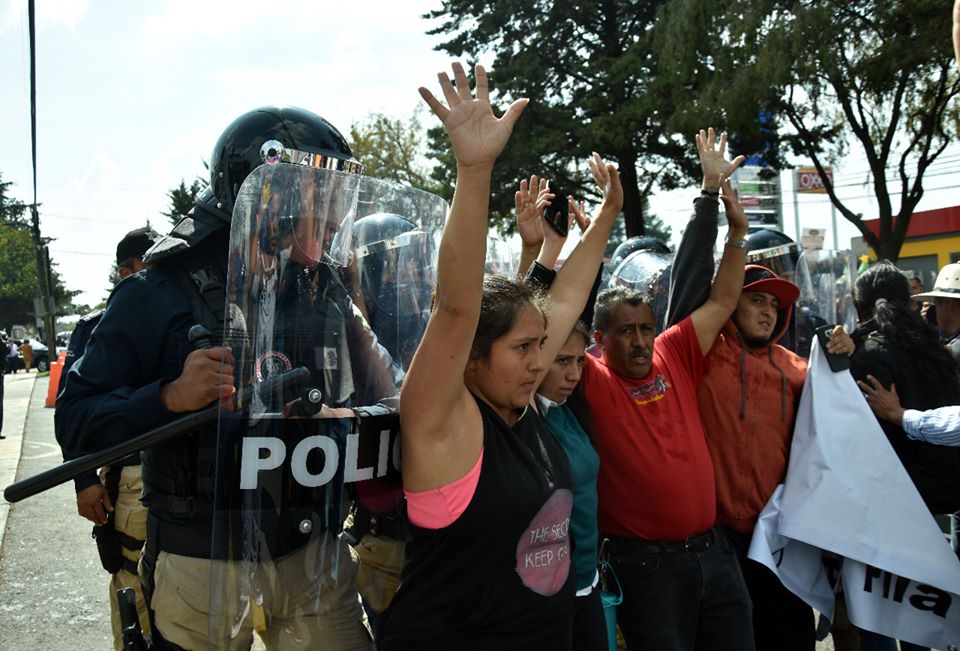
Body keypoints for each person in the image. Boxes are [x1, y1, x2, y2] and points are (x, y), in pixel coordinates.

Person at [56, 106, 378, 650]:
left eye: (337, 195)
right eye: (319, 194)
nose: (334, 216)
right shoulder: (158, 292)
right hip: (201, 557)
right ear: (269, 199)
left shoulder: (322, 289)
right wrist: (170, 397)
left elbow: (382, 388)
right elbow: (78, 417)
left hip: (310, 544)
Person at [379, 62, 623, 650]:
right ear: (471, 360)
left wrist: (607, 218)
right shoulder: (445, 426)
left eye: (542, 346)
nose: (541, 362)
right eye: (522, 349)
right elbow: (458, 309)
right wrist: (474, 169)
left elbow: (562, 298)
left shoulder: (524, 408)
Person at [580, 127, 754, 651]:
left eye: (645, 328)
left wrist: (737, 231)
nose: (639, 341)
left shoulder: (673, 351)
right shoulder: (588, 379)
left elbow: (722, 299)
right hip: (646, 570)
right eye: (625, 331)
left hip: (715, 555)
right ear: (598, 338)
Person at [55, 226, 160, 650]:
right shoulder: (96, 326)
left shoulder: (185, 314)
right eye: (149, 266)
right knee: (135, 587)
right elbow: (73, 411)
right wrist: (85, 480)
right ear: (125, 272)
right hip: (131, 475)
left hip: (188, 476)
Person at [849, 261, 960, 651]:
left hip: (881, 504)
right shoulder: (936, 350)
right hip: (932, 502)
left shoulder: (863, 358)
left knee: (876, 609)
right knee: (917, 613)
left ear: (857, 304)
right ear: (909, 303)